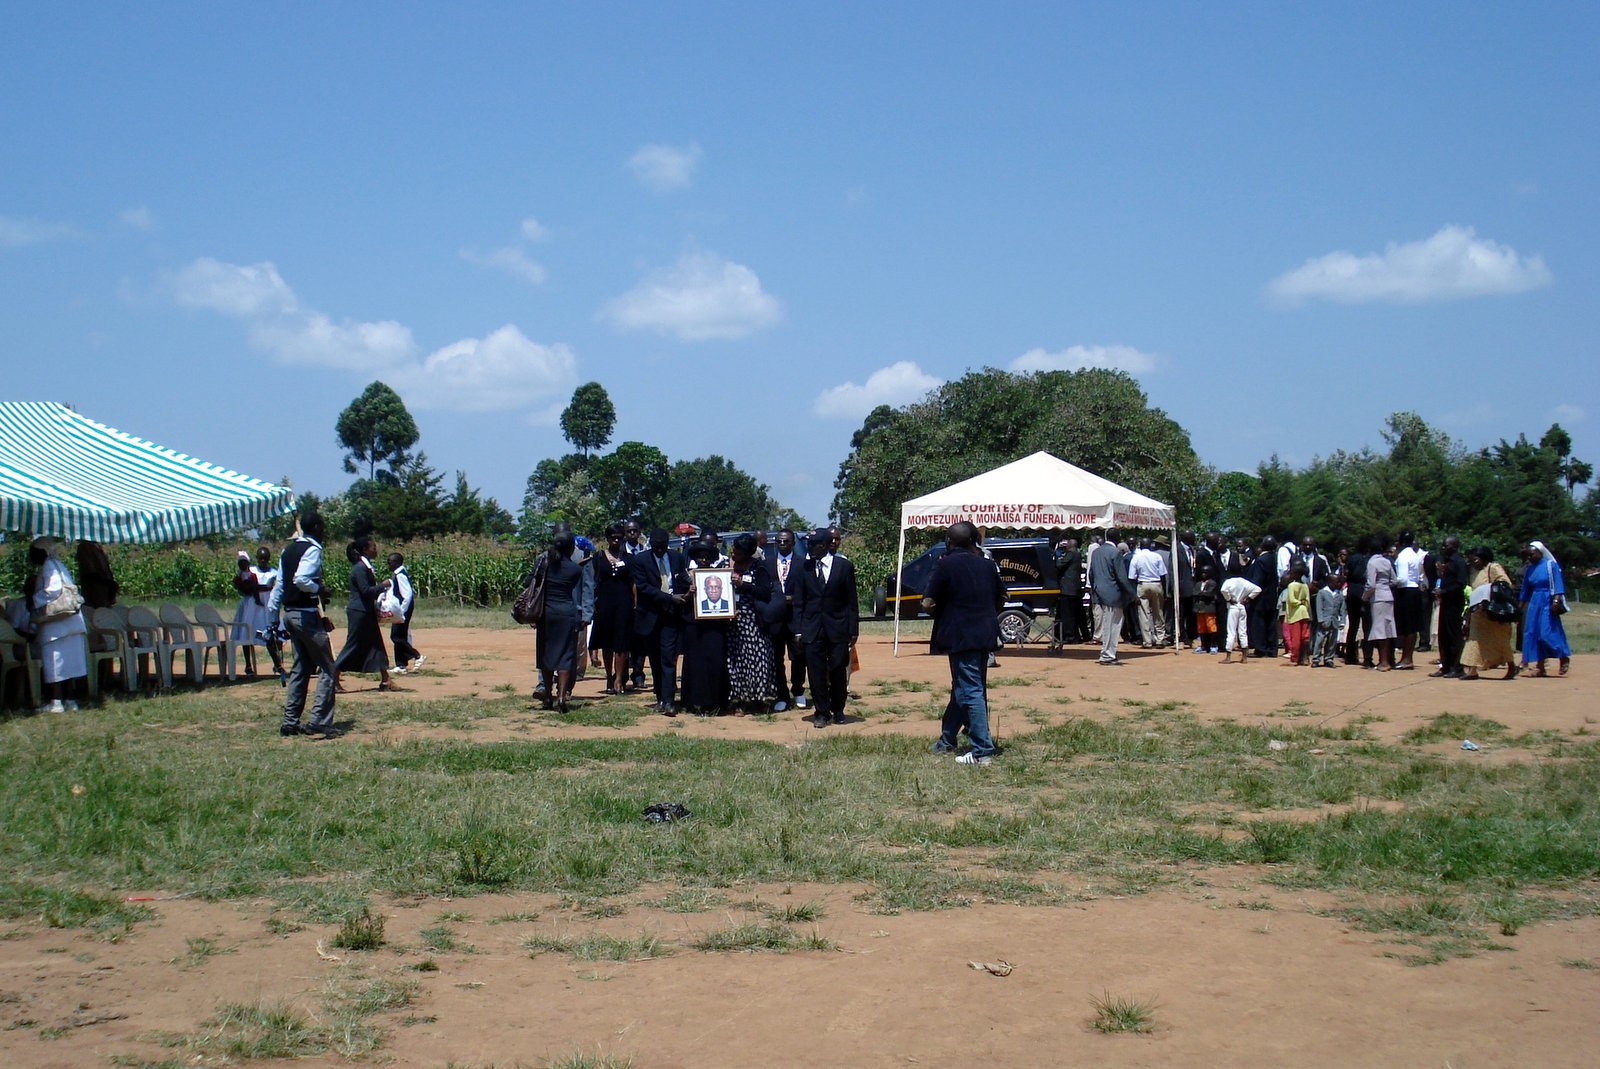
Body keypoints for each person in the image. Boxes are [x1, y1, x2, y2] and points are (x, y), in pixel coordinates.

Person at [928, 522, 1005, 765]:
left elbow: (928, 602)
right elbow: (1003, 597)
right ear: (974, 541)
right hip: (985, 634)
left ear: (949, 542)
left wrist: (945, 610)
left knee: (970, 690)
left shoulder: (945, 564)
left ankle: (982, 750)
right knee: (965, 687)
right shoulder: (988, 565)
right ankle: (947, 740)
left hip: (959, 635)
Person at [267, 512, 340, 738]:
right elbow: (301, 579)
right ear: (316, 527)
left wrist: (272, 617)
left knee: (300, 669)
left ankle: (290, 722)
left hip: (289, 614)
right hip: (305, 615)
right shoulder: (312, 550)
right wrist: (320, 590)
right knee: (329, 668)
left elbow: (280, 586)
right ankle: (319, 721)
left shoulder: (287, 551)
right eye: (323, 526)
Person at [792, 526, 858, 726]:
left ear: (825, 545)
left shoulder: (843, 566)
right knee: (816, 671)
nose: (810, 548)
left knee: (838, 667)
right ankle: (821, 711)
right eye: (809, 545)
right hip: (812, 628)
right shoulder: (805, 569)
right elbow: (799, 602)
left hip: (837, 627)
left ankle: (838, 708)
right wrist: (798, 630)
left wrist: (853, 630)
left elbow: (851, 601)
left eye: (814, 545)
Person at [629, 527, 689, 715]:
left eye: (663, 546)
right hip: (650, 616)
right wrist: (668, 598)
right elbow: (644, 587)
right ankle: (660, 697)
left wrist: (690, 587)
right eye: (657, 547)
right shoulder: (640, 560)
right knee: (655, 659)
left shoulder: (677, 558)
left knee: (668, 658)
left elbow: (683, 579)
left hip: (671, 615)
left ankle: (669, 700)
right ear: (652, 545)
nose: (660, 550)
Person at [25, 537, 87, 712]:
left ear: (42, 552)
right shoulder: (60, 565)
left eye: (33, 553)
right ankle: (70, 700)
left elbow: (52, 590)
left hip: (57, 625)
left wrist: (34, 600)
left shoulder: (48, 566)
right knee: (68, 662)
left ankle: (56, 701)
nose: (31, 557)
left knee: (55, 662)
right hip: (72, 623)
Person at [333, 536, 396, 692]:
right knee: (353, 644)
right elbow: (366, 591)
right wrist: (384, 585)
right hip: (359, 612)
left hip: (365, 611)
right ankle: (333, 676)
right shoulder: (360, 569)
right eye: (373, 547)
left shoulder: (364, 567)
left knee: (376, 644)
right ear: (365, 550)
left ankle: (386, 679)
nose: (376, 549)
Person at [726, 533, 776, 714]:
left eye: (737, 551)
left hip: (754, 622)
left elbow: (765, 592)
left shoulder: (758, 568)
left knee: (757, 660)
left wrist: (743, 584)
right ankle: (739, 700)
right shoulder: (726, 566)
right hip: (733, 623)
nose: (733, 553)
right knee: (736, 662)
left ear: (747, 553)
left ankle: (758, 700)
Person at [536, 531, 585, 711]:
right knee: (565, 655)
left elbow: (528, 582)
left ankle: (547, 696)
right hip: (566, 613)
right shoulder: (575, 569)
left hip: (546, 613)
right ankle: (562, 696)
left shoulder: (545, 565)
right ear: (571, 548)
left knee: (546, 654)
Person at [680, 538, 731, 713]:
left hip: (715, 627)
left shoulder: (720, 577)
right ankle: (695, 701)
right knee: (695, 664)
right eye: (700, 556)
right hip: (693, 627)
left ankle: (717, 701)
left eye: (707, 556)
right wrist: (689, 593)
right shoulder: (686, 576)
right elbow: (680, 600)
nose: (703, 559)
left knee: (716, 662)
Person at [762, 528, 808, 711]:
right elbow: (764, 590)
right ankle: (782, 695)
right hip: (775, 620)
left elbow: (807, 592)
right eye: (779, 541)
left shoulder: (803, 564)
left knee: (798, 657)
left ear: (792, 543)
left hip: (795, 617)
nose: (782, 544)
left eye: (786, 541)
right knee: (776, 658)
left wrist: (792, 599)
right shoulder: (767, 564)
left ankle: (798, 691)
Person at [590, 523, 636, 695]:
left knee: (621, 644)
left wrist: (635, 603)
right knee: (607, 643)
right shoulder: (598, 557)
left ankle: (619, 679)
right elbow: (593, 580)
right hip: (604, 604)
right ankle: (609, 677)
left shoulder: (629, 558)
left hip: (624, 604)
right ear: (607, 539)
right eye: (612, 537)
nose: (616, 540)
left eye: (619, 537)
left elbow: (633, 583)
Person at [1460, 546, 1518, 681]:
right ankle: (1472, 670)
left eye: (1476, 559)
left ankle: (1511, 666)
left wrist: (1488, 593)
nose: (1474, 562)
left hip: (1493, 611)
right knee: (1474, 640)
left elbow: (1504, 584)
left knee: (1500, 640)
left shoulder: (1493, 568)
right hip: (1477, 611)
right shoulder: (1472, 572)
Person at [1519, 540, 1571, 677]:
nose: (1529, 557)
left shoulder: (1550, 565)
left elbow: (1558, 584)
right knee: (1532, 632)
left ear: (1539, 552)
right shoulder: (1530, 569)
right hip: (1534, 602)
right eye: (1528, 555)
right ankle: (1540, 666)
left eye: (1531, 554)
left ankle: (1563, 657)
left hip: (1548, 600)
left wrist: (1556, 601)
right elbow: (1525, 589)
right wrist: (1520, 607)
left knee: (1546, 632)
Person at [1088, 527, 1137, 665]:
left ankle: (1106, 653)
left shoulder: (1096, 552)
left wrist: (1095, 588)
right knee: (1113, 625)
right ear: (1117, 538)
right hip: (1113, 594)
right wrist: (1132, 594)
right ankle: (1108, 654)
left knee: (1106, 624)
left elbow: (1091, 574)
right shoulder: (1115, 553)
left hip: (1099, 592)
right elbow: (1121, 577)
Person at [232, 545, 279, 676]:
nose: (263, 561)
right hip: (251, 605)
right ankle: (248, 665)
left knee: (270, 633)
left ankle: (277, 664)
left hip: (266, 604)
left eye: (265, 558)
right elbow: (240, 584)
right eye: (260, 558)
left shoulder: (274, 572)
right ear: (257, 559)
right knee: (247, 632)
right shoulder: (250, 570)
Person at [1430, 537, 1468, 678]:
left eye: (1446, 545)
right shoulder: (1445, 561)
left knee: (1453, 634)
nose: (1443, 547)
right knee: (1443, 634)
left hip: (1454, 602)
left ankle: (1456, 666)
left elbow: (1460, 584)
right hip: (1445, 602)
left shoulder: (1459, 562)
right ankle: (1445, 666)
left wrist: (1444, 591)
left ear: (1453, 546)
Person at [1392, 531, 1425, 670]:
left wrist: (1391, 582)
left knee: (1407, 626)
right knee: (1411, 626)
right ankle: (1407, 657)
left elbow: (1402, 578)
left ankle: (1406, 659)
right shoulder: (1414, 555)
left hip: (1406, 590)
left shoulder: (1403, 556)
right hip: (1415, 589)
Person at [386, 552, 424, 674]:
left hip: (403, 609)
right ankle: (401, 665)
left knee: (396, 636)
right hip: (401, 609)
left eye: (390, 563)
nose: (388, 565)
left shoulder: (400, 575)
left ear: (397, 563)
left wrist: (401, 611)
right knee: (400, 636)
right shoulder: (398, 574)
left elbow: (407, 595)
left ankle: (417, 655)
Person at [1365, 538, 1398, 672]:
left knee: (1379, 630)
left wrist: (1365, 597)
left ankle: (1383, 662)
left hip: (1377, 597)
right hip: (1388, 596)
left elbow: (1371, 584)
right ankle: (1387, 659)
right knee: (1388, 628)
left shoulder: (1372, 563)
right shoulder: (1387, 562)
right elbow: (1394, 581)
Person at [1128, 538, 1169, 648]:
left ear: (1140, 546)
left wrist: (1133, 594)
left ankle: (1147, 641)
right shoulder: (1157, 556)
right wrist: (1164, 591)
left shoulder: (1136, 558)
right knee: (1158, 613)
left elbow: (1131, 577)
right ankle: (1160, 639)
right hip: (1156, 584)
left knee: (1144, 614)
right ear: (1151, 546)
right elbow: (1163, 575)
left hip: (1142, 585)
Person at [1244, 537, 1280, 659]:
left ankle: (1260, 649)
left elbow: (1257, 581)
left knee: (1258, 622)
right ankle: (1272, 649)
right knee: (1271, 623)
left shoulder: (1261, 560)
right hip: (1272, 595)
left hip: (1260, 597)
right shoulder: (1275, 558)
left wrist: (1250, 596)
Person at [1219, 573, 1261, 663]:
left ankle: (1228, 657)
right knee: (1243, 631)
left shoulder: (1229, 581)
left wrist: (1228, 599)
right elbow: (1258, 589)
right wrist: (1248, 598)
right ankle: (1244, 657)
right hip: (1242, 607)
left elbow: (1223, 590)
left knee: (1231, 632)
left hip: (1233, 607)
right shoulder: (1243, 582)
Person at [1053, 537, 1084, 646]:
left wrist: (1056, 558)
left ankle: (1070, 636)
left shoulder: (1071, 554)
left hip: (1068, 589)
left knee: (1068, 614)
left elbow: (1059, 564)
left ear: (1071, 546)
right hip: (1073, 588)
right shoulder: (1077, 554)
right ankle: (1074, 635)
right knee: (1073, 614)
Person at [1311, 574, 1346, 667]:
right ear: (1330, 582)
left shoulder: (1339, 594)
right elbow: (1319, 607)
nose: (1338, 583)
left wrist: (1342, 621)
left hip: (1334, 622)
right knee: (1319, 641)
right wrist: (1321, 620)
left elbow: (1342, 609)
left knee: (1332, 642)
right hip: (1324, 621)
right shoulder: (1322, 593)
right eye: (1336, 581)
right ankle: (1316, 659)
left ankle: (1329, 659)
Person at [74, 540, 119, 609]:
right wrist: (107, 582)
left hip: (104, 591)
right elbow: (89, 572)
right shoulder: (85, 546)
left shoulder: (97, 547)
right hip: (94, 592)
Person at [1281, 563, 1311, 665]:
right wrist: (1302, 603)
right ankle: (1305, 657)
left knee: (1296, 638)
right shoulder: (1305, 585)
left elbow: (1292, 600)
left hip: (1295, 614)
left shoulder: (1291, 585)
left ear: (1296, 574)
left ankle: (1295, 658)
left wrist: (1298, 603)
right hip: (1304, 612)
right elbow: (1307, 600)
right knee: (1305, 637)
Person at [1192, 563, 1219, 654]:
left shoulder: (1212, 583)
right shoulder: (1198, 584)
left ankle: (1213, 645)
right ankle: (1203, 646)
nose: (1203, 574)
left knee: (1211, 627)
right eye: (1202, 572)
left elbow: (1209, 594)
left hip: (1209, 608)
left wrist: (1201, 593)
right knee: (1201, 628)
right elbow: (1194, 593)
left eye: (1206, 572)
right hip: (1199, 608)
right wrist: (1202, 593)